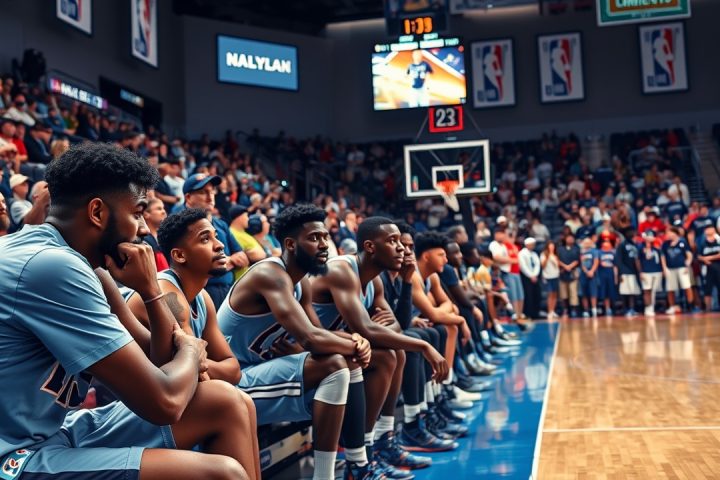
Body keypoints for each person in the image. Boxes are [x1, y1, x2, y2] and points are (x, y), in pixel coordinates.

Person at [0, 142, 253, 479]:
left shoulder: (86, 266)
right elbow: (164, 402)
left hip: (48, 435)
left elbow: (159, 361)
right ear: (97, 213)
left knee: (225, 401)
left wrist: (150, 291)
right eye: (137, 213)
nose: (144, 229)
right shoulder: (51, 266)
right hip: (13, 455)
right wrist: (192, 351)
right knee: (222, 473)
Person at [217, 203, 374, 480]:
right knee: (335, 364)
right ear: (290, 244)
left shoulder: (302, 283)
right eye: (314, 238)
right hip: (229, 382)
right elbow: (311, 339)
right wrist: (353, 344)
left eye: (325, 237)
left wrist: (356, 340)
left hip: (255, 375)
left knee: (346, 361)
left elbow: (318, 332)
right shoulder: (269, 274)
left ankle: (357, 466)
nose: (324, 244)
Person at [126, 208, 261, 478]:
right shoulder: (167, 293)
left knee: (243, 401)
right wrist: (206, 365)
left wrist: (205, 364)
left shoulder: (202, 298)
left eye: (216, 236)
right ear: (179, 255)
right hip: (137, 410)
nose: (220, 244)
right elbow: (199, 374)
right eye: (205, 239)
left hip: (170, 402)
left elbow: (233, 369)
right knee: (228, 400)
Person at [311, 218, 449, 477]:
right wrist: (423, 346)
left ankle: (381, 443)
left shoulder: (374, 281)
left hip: (339, 347)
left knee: (395, 352)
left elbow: (396, 326)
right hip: (306, 350)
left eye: (402, 243)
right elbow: (368, 329)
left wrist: (378, 327)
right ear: (370, 247)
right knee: (388, 356)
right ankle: (361, 458)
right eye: (393, 241)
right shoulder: (342, 269)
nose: (402, 249)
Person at [181, 173, 249, 308]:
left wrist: (217, 264)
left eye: (212, 191)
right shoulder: (181, 225)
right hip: (201, 293)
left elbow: (243, 258)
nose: (210, 196)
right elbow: (194, 268)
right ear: (188, 198)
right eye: (203, 192)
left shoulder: (221, 224)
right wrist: (230, 261)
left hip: (229, 290)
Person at [227, 204, 266, 279]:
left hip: (253, 276)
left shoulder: (245, 233)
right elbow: (247, 256)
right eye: (246, 216)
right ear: (240, 217)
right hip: (241, 278)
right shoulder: (231, 233)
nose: (248, 219)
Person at [661, 226, 693, 314]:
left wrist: (687, 264)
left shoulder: (682, 242)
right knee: (670, 288)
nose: (668, 234)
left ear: (675, 233)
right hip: (670, 268)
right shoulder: (665, 244)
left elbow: (689, 254)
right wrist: (664, 268)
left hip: (682, 267)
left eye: (669, 232)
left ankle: (690, 306)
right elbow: (663, 257)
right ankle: (672, 306)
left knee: (687, 286)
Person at [615, 228, 642, 317]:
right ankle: (625, 309)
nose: (637, 238)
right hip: (625, 272)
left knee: (633, 292)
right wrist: (621, 272)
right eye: (636, 236)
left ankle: (632, 309)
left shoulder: (635, 246)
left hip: (634, 272)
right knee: (625, 292)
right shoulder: (622, 245)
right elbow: (618, 260)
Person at [639, 230, 663, 317]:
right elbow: (638, 260)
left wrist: (662, 270)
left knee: (654, 291)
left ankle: (652, 307)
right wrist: (640, 271)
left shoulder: (656, 248)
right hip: (646, 272)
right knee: (647, 290)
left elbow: (661, 259)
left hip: (657, 271)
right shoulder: (640, 248)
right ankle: (647, 307)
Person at [696, 224, 720, 312]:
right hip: (707, 269)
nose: (709, 230)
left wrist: (708, 258)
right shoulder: (702, 242)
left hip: (718, 267)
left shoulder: (718, 240)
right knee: (707, 289)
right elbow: (698, 256)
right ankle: (708, 308)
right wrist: (704, 259)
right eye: (707, 229)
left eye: (710, 228)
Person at [142, 197, 169, 271]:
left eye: (163, 208)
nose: (164, 212)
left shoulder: (164, 237)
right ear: (146, 214)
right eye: (159, 209)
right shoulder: (144, 240)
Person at [557, 233, 580, 317]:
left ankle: (574, 310)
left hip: (573, 272)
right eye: (568, 238)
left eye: (571, 238)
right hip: (563, 272)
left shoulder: (576, 249)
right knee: (563, 293)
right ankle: (565, 309)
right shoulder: (560, 249)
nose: (570, 239)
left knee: (573, 292)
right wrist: (565, 266)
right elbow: (557, 259)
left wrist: (570, 266)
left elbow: (578, 260)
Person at [519, 237, 542, 319]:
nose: (533, 246)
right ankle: (528, 313)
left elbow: (537, 265)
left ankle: (536, 313)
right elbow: (523, 266)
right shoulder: (522, 253)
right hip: (526, 277)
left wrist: (535, 274)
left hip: (535, 277)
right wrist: (530, 275)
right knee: (528, 295)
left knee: (537, 294)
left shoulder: (534, 254)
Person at [579, 237, 599, 318]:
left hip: (593, 274)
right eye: (585, 242)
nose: (587, 244)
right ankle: (586, 310)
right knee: (584, 293)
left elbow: (596, 261)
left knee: (593, 292)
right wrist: (586, 271)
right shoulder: (582, 252)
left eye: (588, 242)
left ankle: (594, 310)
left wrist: (592, 271)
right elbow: (581, 263)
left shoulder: (594, 251)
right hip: (584, 274)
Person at [597, 239, 617, 316]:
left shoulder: (613, 253)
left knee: (611, 292)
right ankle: (606, 308)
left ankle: (612, 308)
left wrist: (615, 276)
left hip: (611, 274)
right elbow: (600, 263)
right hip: (602, 274)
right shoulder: (599, 253)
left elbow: (615, 265)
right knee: (603, 292)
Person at [540, 240, 560, 320]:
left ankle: (553, 310)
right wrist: (548, 257)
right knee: (550, 294)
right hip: (548, 276)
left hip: (555, 275)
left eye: (553, 246)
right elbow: (543, 265)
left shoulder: (555, 255)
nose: (552, 248)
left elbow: (557, 265)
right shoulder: (543, 254)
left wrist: (554, 258)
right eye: (550, 246)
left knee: (555, 294)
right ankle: (549, 311)